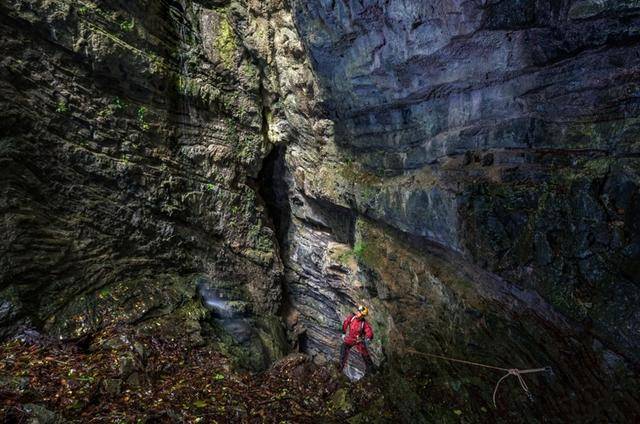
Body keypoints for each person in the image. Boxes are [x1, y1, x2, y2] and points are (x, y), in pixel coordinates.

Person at [339, 304, 375, 374]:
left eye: (360, 314)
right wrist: (343, 332)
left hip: (359, 340)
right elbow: (346, 323)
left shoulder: (364, 324)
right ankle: (341, 366)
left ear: (363, 316)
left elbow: (369, 332)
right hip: (351, 339)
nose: (358, 314)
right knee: (343, 348)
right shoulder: (352, 318)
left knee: (365, 354)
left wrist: (368, 338)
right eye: (358, 312)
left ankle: (371, 370)